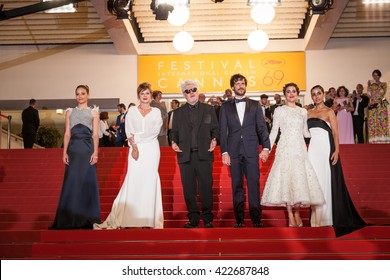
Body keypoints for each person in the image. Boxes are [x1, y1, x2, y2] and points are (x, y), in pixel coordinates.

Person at [94, 82, 164, 229]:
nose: (145, 96)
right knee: (134, 178)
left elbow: (154, 132)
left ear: (151, 96)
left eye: (147, 93)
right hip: (135, 149)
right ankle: (131, 217)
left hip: (151, 149)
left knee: (150, 180)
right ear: (139, 96)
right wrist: (134, 146)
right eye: (142, 93)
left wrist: (137, 138)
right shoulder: (132, 110)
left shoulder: (156, 112)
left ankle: (150, 218)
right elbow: (128, 130)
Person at [261, 83, 324, 227]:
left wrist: (323, 131)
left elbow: (306, 132)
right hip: (284, 148)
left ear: (297, 93)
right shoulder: (279, 110)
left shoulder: (303, 111)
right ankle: (290, 213)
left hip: (299, 149)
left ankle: (297, 212)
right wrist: (267, 149)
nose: (291, 94)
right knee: (287, 180)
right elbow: (274, 132)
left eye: (293, 91)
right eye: (288, 91)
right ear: (284, 94)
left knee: (297, 180)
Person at [307, 85, 366, 237]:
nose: (317, 96)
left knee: (325, 180)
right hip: (312, 151)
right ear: (311, 96)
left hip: (325, 150)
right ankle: (316, 219)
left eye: (319, 93)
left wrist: (337, 151)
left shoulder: (329, 112)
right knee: (315, 182)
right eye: (314, 94)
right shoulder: (308, 112)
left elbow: (335, 132)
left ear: (323, 94)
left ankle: (326, 218)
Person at [219, 74, 270, 228]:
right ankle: (239, 219)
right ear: (233, 87)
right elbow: (223, 131)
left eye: (242, 83)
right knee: (237, 185)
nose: (240, 86)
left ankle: (256, 218)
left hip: (251, 151)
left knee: (254, 183)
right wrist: (224, 152)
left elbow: (262, 128)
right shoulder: (225, 107)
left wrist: (266, 147)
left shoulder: (255, 105)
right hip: (233, 151)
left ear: (245, 86)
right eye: (237, 84)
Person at [169, 80, 219, 228]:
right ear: (184, 94)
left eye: (194, 90)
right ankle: (193, 218)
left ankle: (208, 218)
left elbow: (215, 129)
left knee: (206, 187)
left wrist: (215, 139)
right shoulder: (177, 113)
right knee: (189, 189)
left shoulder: (209, 110)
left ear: (198, 91)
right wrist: (173, 142)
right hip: (185, 156)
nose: (191, 93)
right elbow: (173, 132)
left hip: (204, 154)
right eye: (188, 91)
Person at [50, 85, 101, 229]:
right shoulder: (69, 112)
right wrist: (64, 152)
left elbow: (95, 135)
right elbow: (67, 134)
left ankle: (86, 218)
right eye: (78, 94)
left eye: (83, 93)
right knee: (71, 182)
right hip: (73, 150)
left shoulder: (94, 112)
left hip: (87, 150)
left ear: (88, 95)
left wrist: (95, 152)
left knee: (86, 182)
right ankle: (69, 217)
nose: (80, 96)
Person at [367, 69, 389, 143]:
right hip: (373, 104)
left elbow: (382, 93)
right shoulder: (371, 85)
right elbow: (369, 95)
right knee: (373, 121)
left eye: (376, 75)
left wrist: (375, 93)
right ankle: (374, 139)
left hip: (381, 104)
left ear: (379, 76)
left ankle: (383, 138)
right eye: (374, 75)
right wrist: (369, 86)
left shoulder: (384, 84)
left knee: (382, 120)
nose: (375, 76)